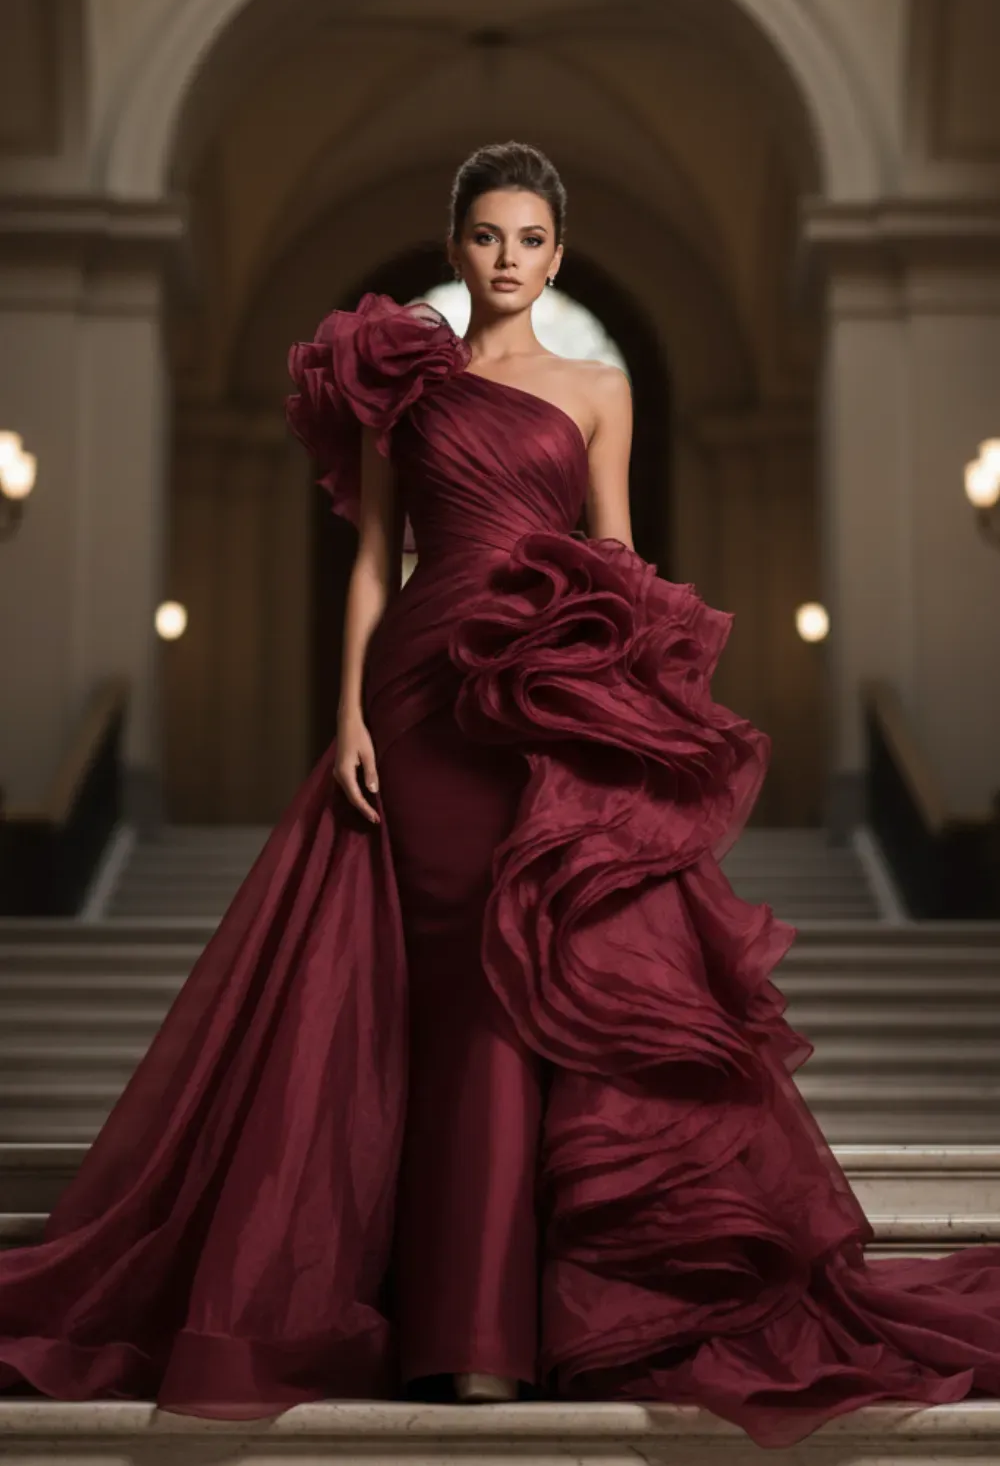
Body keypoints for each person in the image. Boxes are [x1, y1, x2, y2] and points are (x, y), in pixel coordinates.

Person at [2, 140, 1000, 1451]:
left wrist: (647, 695)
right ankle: (450, 1331)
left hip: (546, 699)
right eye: (486, 237)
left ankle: (491, 1337)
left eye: (531, 239)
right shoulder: (402, 384)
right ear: (458, 245)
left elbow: (617, 548)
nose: (508, 260)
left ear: (559, 253)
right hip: (420, 697)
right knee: (431, 995)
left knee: (517, 987)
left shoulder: (598, 386)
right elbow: (372, 562)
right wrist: (349, 712)